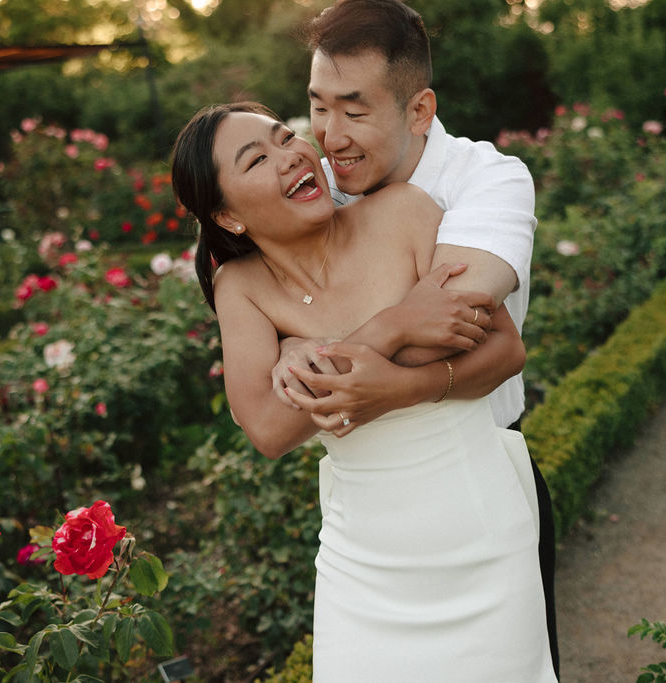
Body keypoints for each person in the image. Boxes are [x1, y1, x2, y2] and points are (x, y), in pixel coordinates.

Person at [171, 102, 555, 681]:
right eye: (258, 159)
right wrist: (395, 324)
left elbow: (504, 351)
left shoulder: (403, 212)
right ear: (227, 217)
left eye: (285, 137)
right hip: (361, 563)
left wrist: (391, 386)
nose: (293, 154)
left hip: (479, 535)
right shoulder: (242, 287)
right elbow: (270, 429)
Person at [270, 0, 561, 675]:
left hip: (479, 490)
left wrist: (307, 341)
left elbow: (451, 325)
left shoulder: (486, 178)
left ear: (420, 110)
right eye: (317, 106)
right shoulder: (315, 187)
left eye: (355, 109)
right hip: (361, 516)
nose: (329, 134)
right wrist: (290, 343)